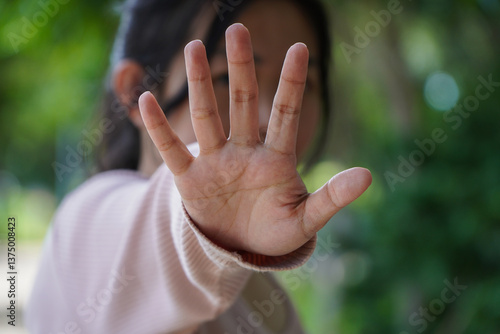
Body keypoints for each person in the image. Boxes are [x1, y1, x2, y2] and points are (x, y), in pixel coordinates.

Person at [26, 0, 372, 332]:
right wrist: (207, 229)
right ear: (135, 90)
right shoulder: (85, 227)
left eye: (301, 84)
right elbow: (153, 238)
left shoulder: (267, 301)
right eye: (226, 78)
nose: (268, 115)